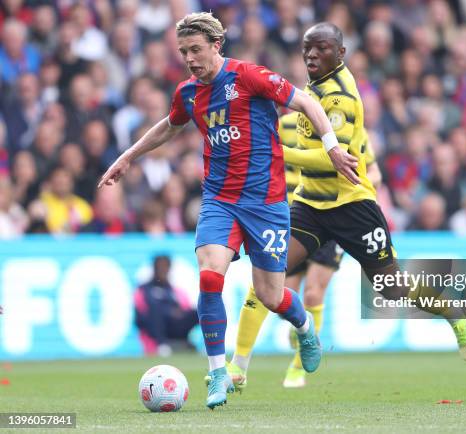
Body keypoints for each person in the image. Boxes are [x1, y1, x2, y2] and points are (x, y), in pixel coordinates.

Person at [98, 12, 358, 409]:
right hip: (219, 201)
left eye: (196, 50)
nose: (189, 58)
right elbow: (169, 125)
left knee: (272, 296)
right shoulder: (188, 92)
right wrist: (128, 156)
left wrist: (332, 147)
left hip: (266, 204)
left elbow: (305, 102)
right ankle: (218, 371)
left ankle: (305, 328)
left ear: (216, 46)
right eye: (183, 51)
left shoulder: (249, 77)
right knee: (209, 276)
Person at [225, 22, 466, 391]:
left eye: (321, 49)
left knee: (391, 286)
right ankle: (238, 367)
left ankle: (454, 314)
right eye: (307, 48)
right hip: (310, 204)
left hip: (352, 206)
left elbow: (332, 160)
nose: (311, 55)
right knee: (267, 275)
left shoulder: (340, 97)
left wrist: (277, 153)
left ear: (340, 54)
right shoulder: (313, 91)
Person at [230, 111, 382, 389]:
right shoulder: (281, 126)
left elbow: (374, 171)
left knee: (313, 292)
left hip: (335, 213)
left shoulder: (347, 127)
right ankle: (301, 328)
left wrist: (361, 188)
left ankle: (298, 367)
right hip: (294, 217)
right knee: (275, 295)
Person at [134, 255, 198, 357]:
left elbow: (186, 309)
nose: (163, 270)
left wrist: (178, 313)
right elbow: (140, 318)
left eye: (166, 267)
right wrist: (168, 312)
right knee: (155, 311)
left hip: (175, 328)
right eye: (160, 267)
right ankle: (162, 346)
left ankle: (208, 345)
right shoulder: (143, 290)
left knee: (199, 312)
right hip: (156, 332)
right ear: (154, 268)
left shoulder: (175, 291)